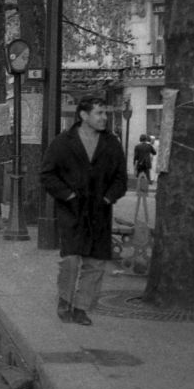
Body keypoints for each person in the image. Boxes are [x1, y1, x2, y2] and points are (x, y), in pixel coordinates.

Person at [40, 96, 128, 326]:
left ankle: (81, 307)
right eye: (99, 113)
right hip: (72, 210)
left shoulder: (111, 143)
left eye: (105, 113)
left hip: (100, 210)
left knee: (96, 263)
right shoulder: (63, 142)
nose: (104, 118)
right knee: (70, 259)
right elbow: (47, 174)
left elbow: (121, 178)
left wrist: (109, 197)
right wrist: (67, 195)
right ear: (83, 115)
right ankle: (65, 300)